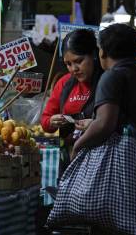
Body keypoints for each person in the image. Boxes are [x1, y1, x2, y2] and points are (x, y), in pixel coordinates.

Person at [71, 24, 136, 234]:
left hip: (122, 173)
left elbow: (105, 123)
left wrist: (78, 146)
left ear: (102, 52)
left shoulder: (112, 76)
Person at [41, 29, 103, 171]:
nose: (74, 69)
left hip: (100, 161)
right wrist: (52, 121)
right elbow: (45, 120)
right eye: (68, 64)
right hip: (71, 158)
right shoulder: (64, 83)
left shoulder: (106, 82)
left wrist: (96, 125)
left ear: (93, 54)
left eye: (78, 61)